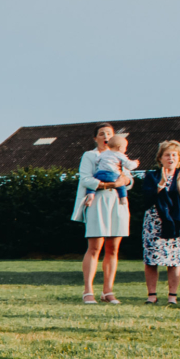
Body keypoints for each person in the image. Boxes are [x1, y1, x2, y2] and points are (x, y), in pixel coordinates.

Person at [74, 124, 133, 304]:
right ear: (96, 138)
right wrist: (108, 185)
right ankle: (88, 291)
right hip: (98, 201)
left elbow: (129, 180)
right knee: (94, 247)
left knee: (113, 248)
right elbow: (85, 179)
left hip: (117, 202)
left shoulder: (120, 155)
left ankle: (108, 291)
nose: (106, 136)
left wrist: (125, 180)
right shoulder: (90, 155)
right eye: (102, 134)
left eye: (109, 133)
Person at [140, 141, 180, 305]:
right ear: (160, 158)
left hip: (176, 222)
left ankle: (172, 297)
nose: (171, 158)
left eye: (174, 155)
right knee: (151, 259)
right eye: (167, 155)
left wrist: (179, 184)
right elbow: (146, 199)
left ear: (179, 158)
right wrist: (161, 184)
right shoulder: (151, 176)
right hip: (154, 222)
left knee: (175, 260)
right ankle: (152, 295)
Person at [83, 133, 137, 206]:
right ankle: (123, 198)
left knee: (92, 186)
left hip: (100, 174)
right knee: (121, 186)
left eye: (109, 134)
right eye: (125, 147)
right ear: (120, 148)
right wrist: (136, 163)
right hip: (113, 175)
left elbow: (97, 160)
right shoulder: (120, 155)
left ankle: (90, 196)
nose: (105, 136)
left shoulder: (103, 153)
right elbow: (129, 165)